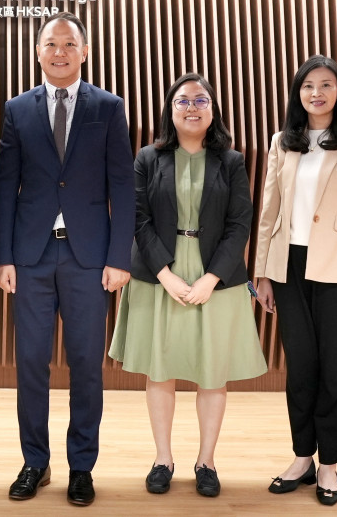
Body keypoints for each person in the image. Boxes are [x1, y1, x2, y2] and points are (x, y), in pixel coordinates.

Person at [0, 12, 135, 506]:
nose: (59, 51)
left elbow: (123, 183)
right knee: (30, 363)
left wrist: (120, 258)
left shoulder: (108, 106)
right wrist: (3, 256)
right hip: (30, 257)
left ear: (84, 51)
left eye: (69, 43)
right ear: (38, 52)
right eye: (50, 43)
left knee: (86, 366)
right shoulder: (17, 108)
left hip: (88, 259)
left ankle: (81, 466)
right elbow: (4, 184)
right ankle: (35, 461)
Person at [108, 73, 268, 498]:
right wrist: (165, 274)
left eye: (200, 100)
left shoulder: (232, 161)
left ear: (213, 110)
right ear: (170, 109)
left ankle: (206, 461)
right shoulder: (147, 157)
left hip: (217, 276)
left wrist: (211, 278)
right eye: (183, 101)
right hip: (160, 275)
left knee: (212, 373)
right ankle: (163, 458)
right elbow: (136, 218)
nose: (192, 107)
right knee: (160, 372)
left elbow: (240, 223)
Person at [254, 54, 337, 506]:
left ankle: (330, 463)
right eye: (308, 86)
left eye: (326, 85)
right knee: (301, 369)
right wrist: (262, 273)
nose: (317, 93)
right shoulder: (282, 141)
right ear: (298, 93)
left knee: (336, 372)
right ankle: (303, 457)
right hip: (288, 268)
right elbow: (269, 213)